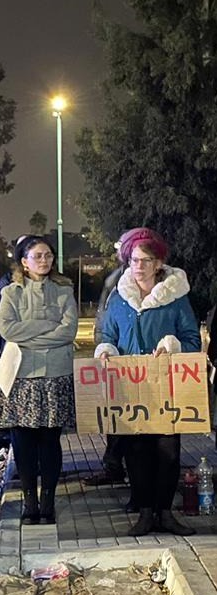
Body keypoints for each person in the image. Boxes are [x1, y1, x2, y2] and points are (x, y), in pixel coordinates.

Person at [95, 227, 201, 537]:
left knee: (168, 451)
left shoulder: (175, 298)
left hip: (167, 386)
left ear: (158, 264)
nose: (139, 266)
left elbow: (192, 339)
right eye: (134, 260)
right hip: (131, 387)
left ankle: (165, 513)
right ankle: (144, 513)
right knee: (136, 452)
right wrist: (106, 350)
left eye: (146, 260)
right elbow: (108, 334)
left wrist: (171, 344)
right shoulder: (119, 299)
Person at [0, 236, 77, 525]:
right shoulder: (11, 292)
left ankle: (48, 502)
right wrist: (47, 328)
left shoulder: (64, 290)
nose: (44, 260)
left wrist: (29, 337)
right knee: (23, 444)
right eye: (37, 256)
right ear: (24, 262)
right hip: (21, 377)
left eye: (48, 255)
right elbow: (7, 330)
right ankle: (29, 501)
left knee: (50, 442)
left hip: (55, 375)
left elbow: (68, 331)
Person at [83, 245, 128, 488]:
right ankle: (113, 465)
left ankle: (116, 466)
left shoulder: (124, 277)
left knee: (124, 418)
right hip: (112, 355)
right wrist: (103, 344)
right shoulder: (116, 277)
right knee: (115, 416)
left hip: (127, 358)